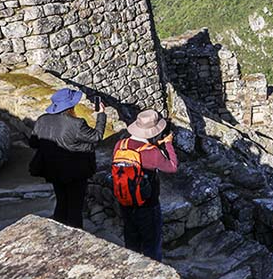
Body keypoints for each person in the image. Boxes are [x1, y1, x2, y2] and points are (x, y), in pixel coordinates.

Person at [29, 88, 106, 229]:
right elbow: (96, 136)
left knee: (61, 201)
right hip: (75, 172)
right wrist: (101, 115)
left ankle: (58, 231)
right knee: (75, 207)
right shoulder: (76, 124)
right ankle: (75, 237)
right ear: (71, 106)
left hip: (52, 170)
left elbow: (33, 143)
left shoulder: (42, 120)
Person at [111, 110, 178, 262]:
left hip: (125, 200)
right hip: (147, 203)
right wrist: (168, 144)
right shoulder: (153, 152)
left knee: (131, 238)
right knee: (151, 245)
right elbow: (172, 167)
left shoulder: (121, 144)